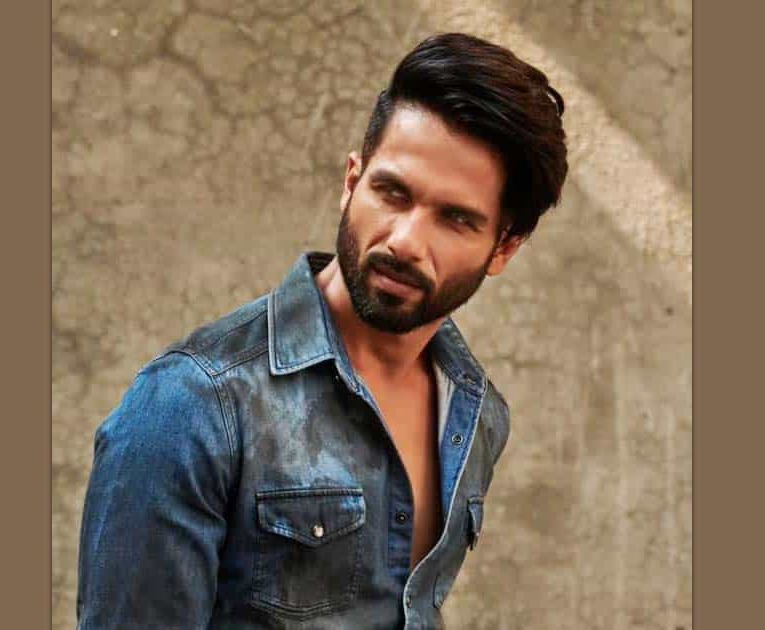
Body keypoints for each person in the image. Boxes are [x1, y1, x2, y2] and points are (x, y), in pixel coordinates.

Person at [76, 32, 568, 629]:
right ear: (352, 181)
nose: (405, 241)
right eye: (392, 192)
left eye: (455, 219)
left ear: (504, 247)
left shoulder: (473, 411)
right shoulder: (192, 404)